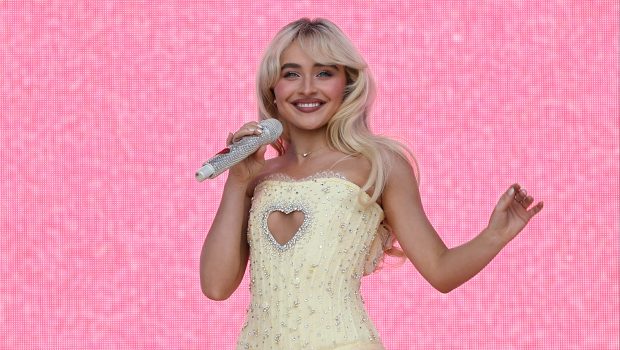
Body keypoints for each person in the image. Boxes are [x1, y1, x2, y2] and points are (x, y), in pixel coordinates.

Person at [199, 18, 543, 350]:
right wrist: (236, 181)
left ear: (346, 84)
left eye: (324, 73)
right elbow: (215, 286)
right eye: (291, 74)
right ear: (273, 88)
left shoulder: (378, 165)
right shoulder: (254, 175)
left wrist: (495, 235)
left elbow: (441, 271)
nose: (307, 87)